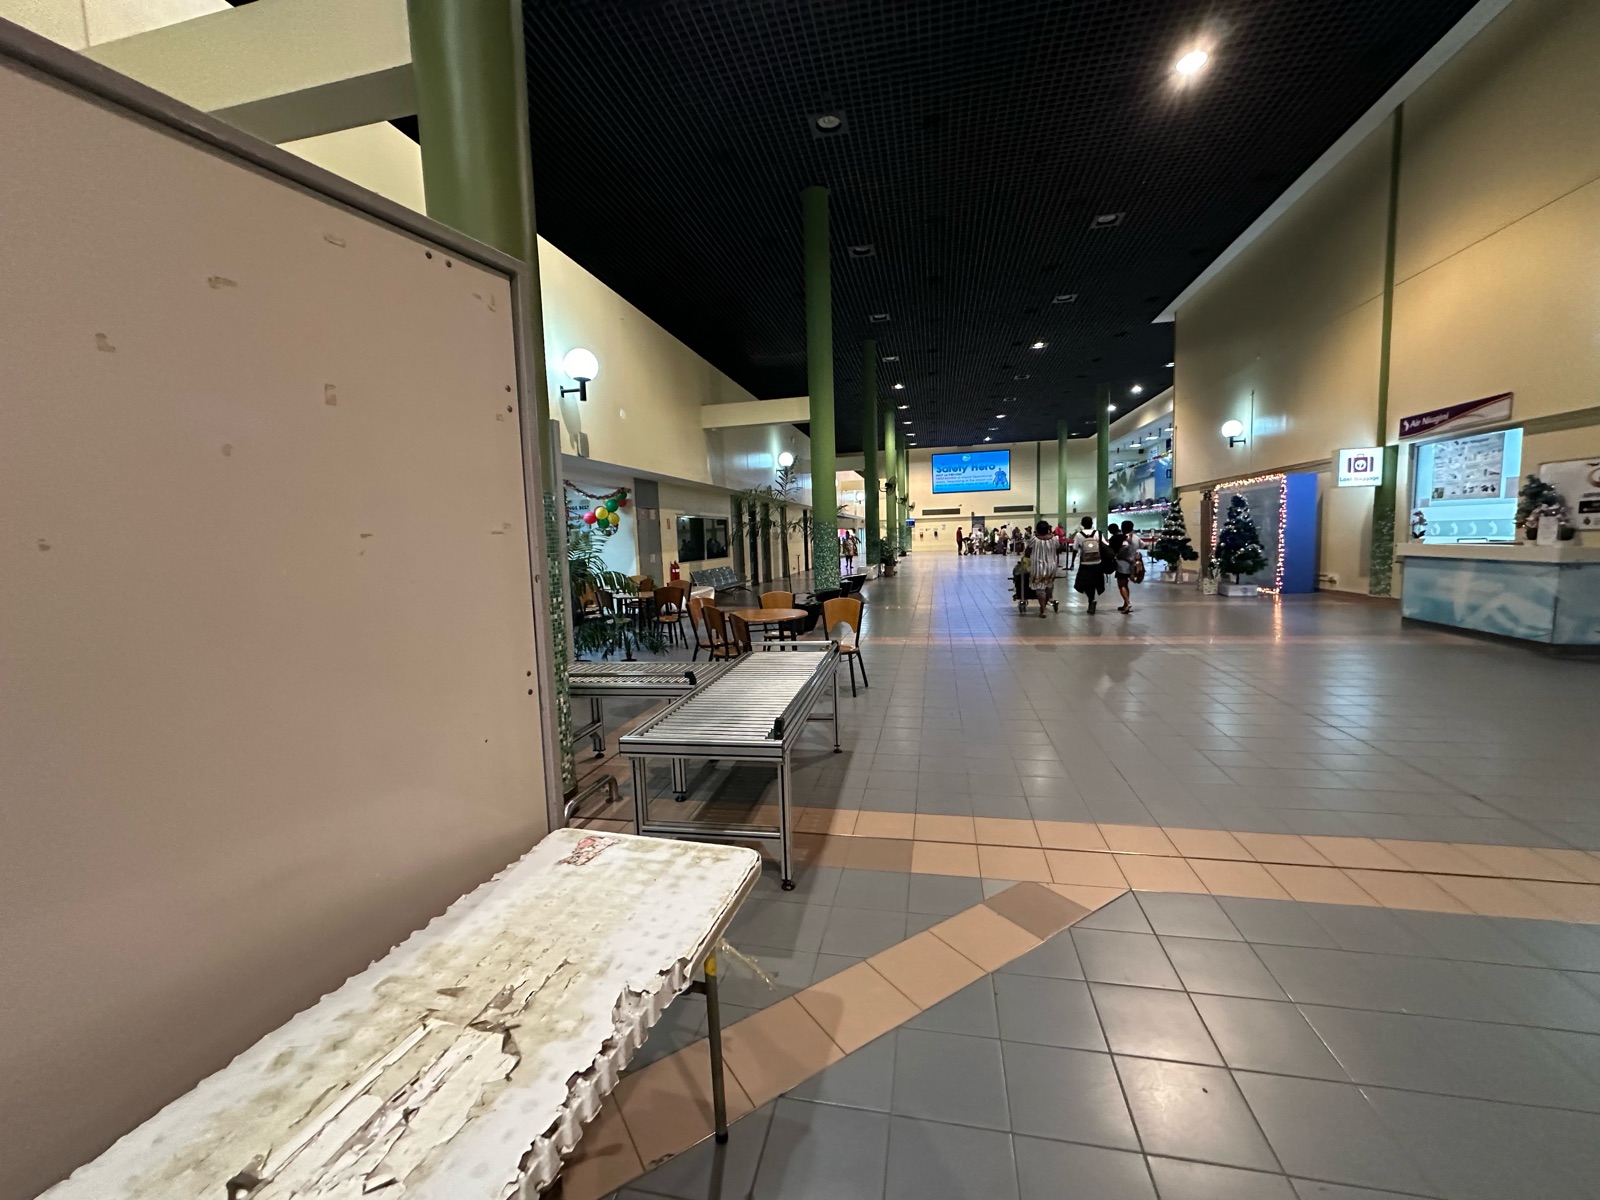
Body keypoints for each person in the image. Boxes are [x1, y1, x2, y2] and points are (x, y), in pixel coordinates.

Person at [1071, 516, 1107, 614]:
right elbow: (1105, 545)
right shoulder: (1098, 533)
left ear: (1082, 524)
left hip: (1085, 563)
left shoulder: (1079, 535)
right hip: (1097, 562)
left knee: (1085, 584)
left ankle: (1091, 600)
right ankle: (1092, 600)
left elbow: (1075, 549)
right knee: (1095, 582)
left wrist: (1072, 563)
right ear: (1092, 524)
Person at [1025, 520, 1060, 618]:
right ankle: (1045, 603)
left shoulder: (1034, 539)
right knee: (1048, 586)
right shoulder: (1054, 539)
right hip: (1051, 567)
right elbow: (1059, 549)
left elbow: (1027, 552)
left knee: (1040, 588)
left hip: (1038, 567)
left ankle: (1043, 609)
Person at [1112, 519, 1142, 614]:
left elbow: (1124, 547)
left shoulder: (1126, 538)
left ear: (1123, 528)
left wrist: (1118, 554)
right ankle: (1125, 604)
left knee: (1122, 585)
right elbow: (1142, 545)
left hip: (1123, 564)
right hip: (1133, 563)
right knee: (1126, 584)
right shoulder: (1136, 537)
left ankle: (1128, 603)